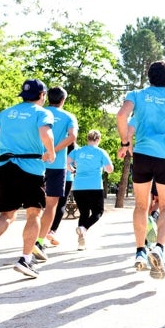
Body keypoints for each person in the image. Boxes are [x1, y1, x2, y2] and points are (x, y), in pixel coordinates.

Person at [0, 79, 55, 279]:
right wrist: (50, 153)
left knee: (7, 215)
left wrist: (11, 143)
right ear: (42, 95)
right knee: (34, 214)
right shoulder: (43, 113)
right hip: (31, 169)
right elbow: (45, 133)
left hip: (5, 167)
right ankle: (25, 259)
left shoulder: (4, 113)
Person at [116, 60, 165, 280]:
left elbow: (121, 116)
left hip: (143, 155)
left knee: (140, 205)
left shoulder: (137, 95)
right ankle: (159, 248)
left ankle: (139, 251)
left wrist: (125, 143)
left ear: (149, 77)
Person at [35, 86, 78, 261]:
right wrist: (54, 151)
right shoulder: (69, 117)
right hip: (57, 165)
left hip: (35, 163)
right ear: (63, 99)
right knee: (51, 205)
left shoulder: (39, 112)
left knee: (35, 205)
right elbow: (72, 137)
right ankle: (38, 241)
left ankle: (33, 241)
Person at [67, 130, 114, 250]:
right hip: (94, 187)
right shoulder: (101, 152)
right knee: (98, 212)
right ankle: (83, 228)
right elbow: (110, 169)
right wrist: (103, 167)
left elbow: (66, 162)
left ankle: (81, 243)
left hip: (78, 187)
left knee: (84, 213)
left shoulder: (77, 151)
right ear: (98, 139)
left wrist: (72, 170)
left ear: (88, 139)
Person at [46, 143, 76, 247]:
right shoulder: (73, 147)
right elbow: (76, 163)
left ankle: (43, 230)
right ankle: (52, 231)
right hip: (66, 177)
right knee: (61, 204)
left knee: (48, 204)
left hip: (48, 172)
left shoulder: (51, 141)